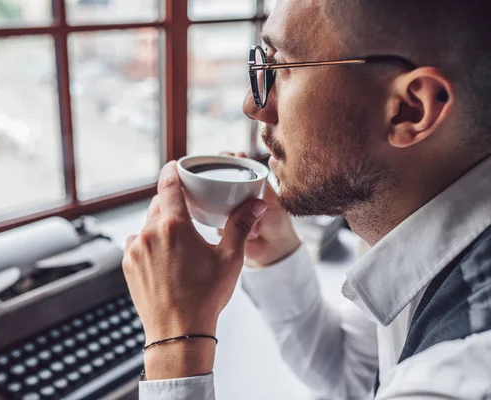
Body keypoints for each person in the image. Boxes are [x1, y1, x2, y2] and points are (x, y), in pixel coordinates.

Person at [122, 0, 491, 398]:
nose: (253, 106)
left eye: (280, 67)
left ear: (408, 109)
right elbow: (355, 378)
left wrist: (175, 342)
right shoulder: (407, 224)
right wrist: (275, 255)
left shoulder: (455, 379)